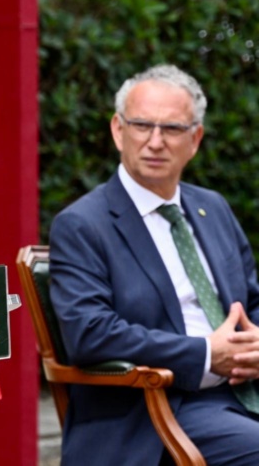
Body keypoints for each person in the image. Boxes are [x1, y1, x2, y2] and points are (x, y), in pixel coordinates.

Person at [50, 64, 259, 466]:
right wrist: (202, 353)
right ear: (118, 130)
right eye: (142, 125)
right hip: (155, 410)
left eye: (172, 129)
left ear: (195, 139)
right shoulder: (83, 225)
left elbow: (253, 300)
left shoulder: (211, 208)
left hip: (239, 393)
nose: (155, 142)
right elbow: (90, 334)